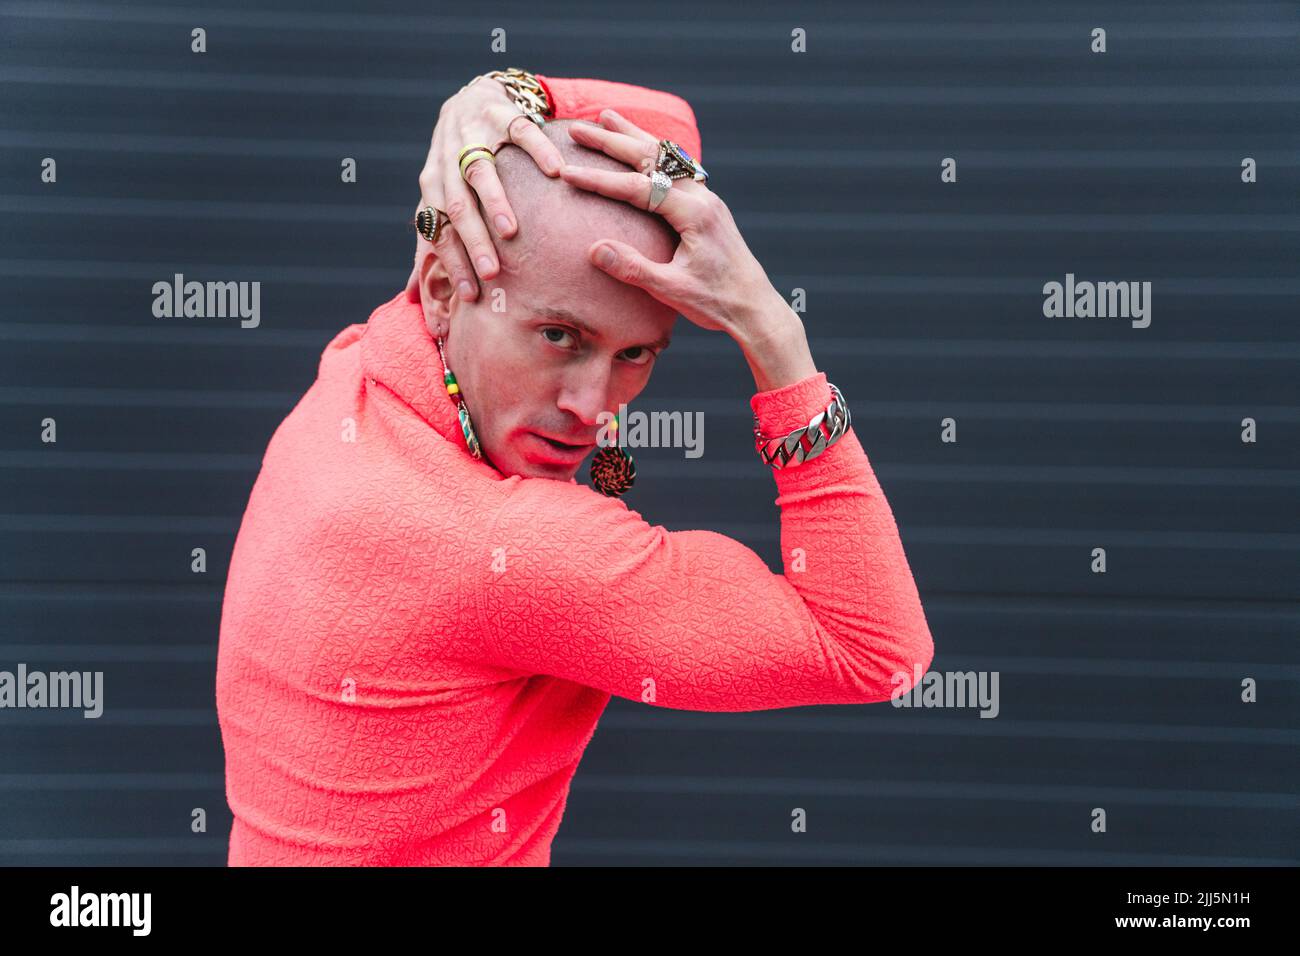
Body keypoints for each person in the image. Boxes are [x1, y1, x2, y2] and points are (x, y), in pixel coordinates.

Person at [215, 70, 935, 866]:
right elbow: (874, 647)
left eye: (636, 354)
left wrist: (499, 94)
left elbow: (670, 130)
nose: (595, 406)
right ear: (446, 289)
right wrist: (773, 334)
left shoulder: (368, 363)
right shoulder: (513, 553)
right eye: (561, 336)